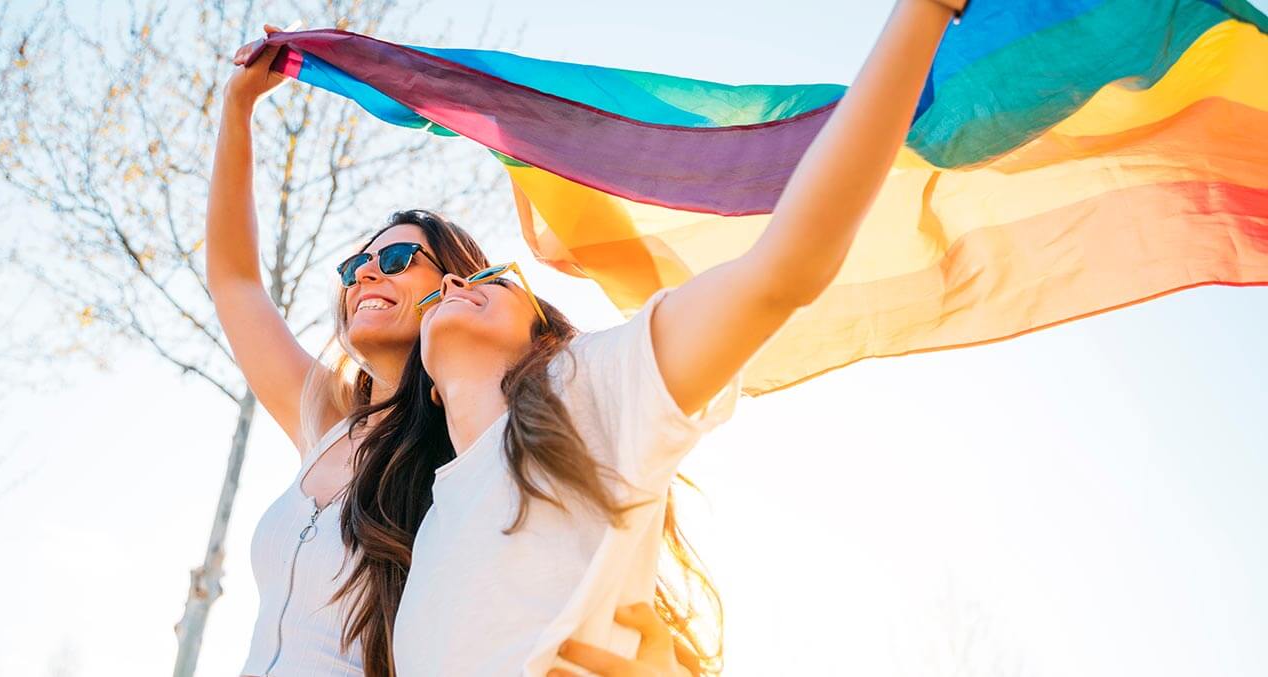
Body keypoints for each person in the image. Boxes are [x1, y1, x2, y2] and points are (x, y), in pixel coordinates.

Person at [333, 0, 970, 675]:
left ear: (542, 338)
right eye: (441, 295)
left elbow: (783, 266)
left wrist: (922, 13)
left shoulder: (590, 387)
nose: (459, 287)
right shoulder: (426, 532)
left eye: (493, 279)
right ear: (427, 388)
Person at [212, 26, 710, 677]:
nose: (366, 274)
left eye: (395, 258)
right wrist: (237, 107)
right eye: (354, 265)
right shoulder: (328, 422)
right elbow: (235, 281)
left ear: (456, 281)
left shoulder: (481, 445)